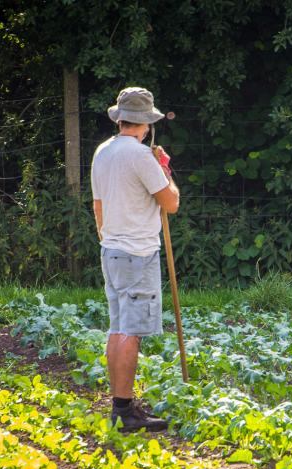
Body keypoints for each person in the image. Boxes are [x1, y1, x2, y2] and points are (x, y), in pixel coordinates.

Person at [91, 87, 179, 431]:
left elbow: (98, 204)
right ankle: (125, 412)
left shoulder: (103, 151)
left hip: (111, 250)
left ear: (121, 119)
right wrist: (165, 169)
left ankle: (121, 406)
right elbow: (170, 203)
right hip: (137, 253)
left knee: (117, 328)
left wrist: (108, 237)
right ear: (145, 124)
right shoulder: (142, 156)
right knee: (130, 331)